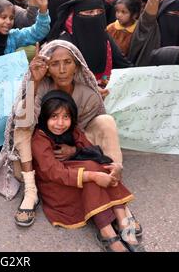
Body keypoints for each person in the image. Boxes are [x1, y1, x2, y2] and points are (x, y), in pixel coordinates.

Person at [0, 40, 141, 235]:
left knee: (106, 121)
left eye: (68, 62)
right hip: (41, 155)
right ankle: (31, 192)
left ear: (77, 65)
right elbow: (25, 120)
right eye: (55, 64)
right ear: (47, 68)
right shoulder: (41, 87)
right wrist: (33, 83)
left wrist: (75, 149)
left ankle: (114, 176)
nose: (62, 69)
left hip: (74, 151)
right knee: (23, 121)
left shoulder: (87, 94)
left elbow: (80, 133)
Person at [32, 89, 143, 252]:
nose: (60, 123)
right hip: (56, 186)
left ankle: (121, 221)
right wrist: (92, 175)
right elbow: (53, 173)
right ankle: (108, 231)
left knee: (100, 166)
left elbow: (90, 150)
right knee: (92, 173)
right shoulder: (39, 138)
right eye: (54, 117)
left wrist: (113, 167)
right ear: (45, 117)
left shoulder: (72, 130)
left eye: (66, 117)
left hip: (72, 174)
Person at [47, 0, 131, 83]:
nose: (95, 16)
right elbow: (61, 80)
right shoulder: (64, 45)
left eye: (100, 12)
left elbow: (123, 63)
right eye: (89, 12)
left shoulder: (104, 37)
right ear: (76, 15)